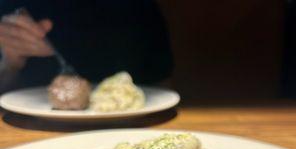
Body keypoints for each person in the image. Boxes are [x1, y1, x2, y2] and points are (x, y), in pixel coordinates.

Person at [0, 0, 173, 92]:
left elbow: (163, 88)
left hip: (130, 127)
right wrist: (10, 63)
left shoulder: (137, 8)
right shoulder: (11, 7)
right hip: (29, 126)